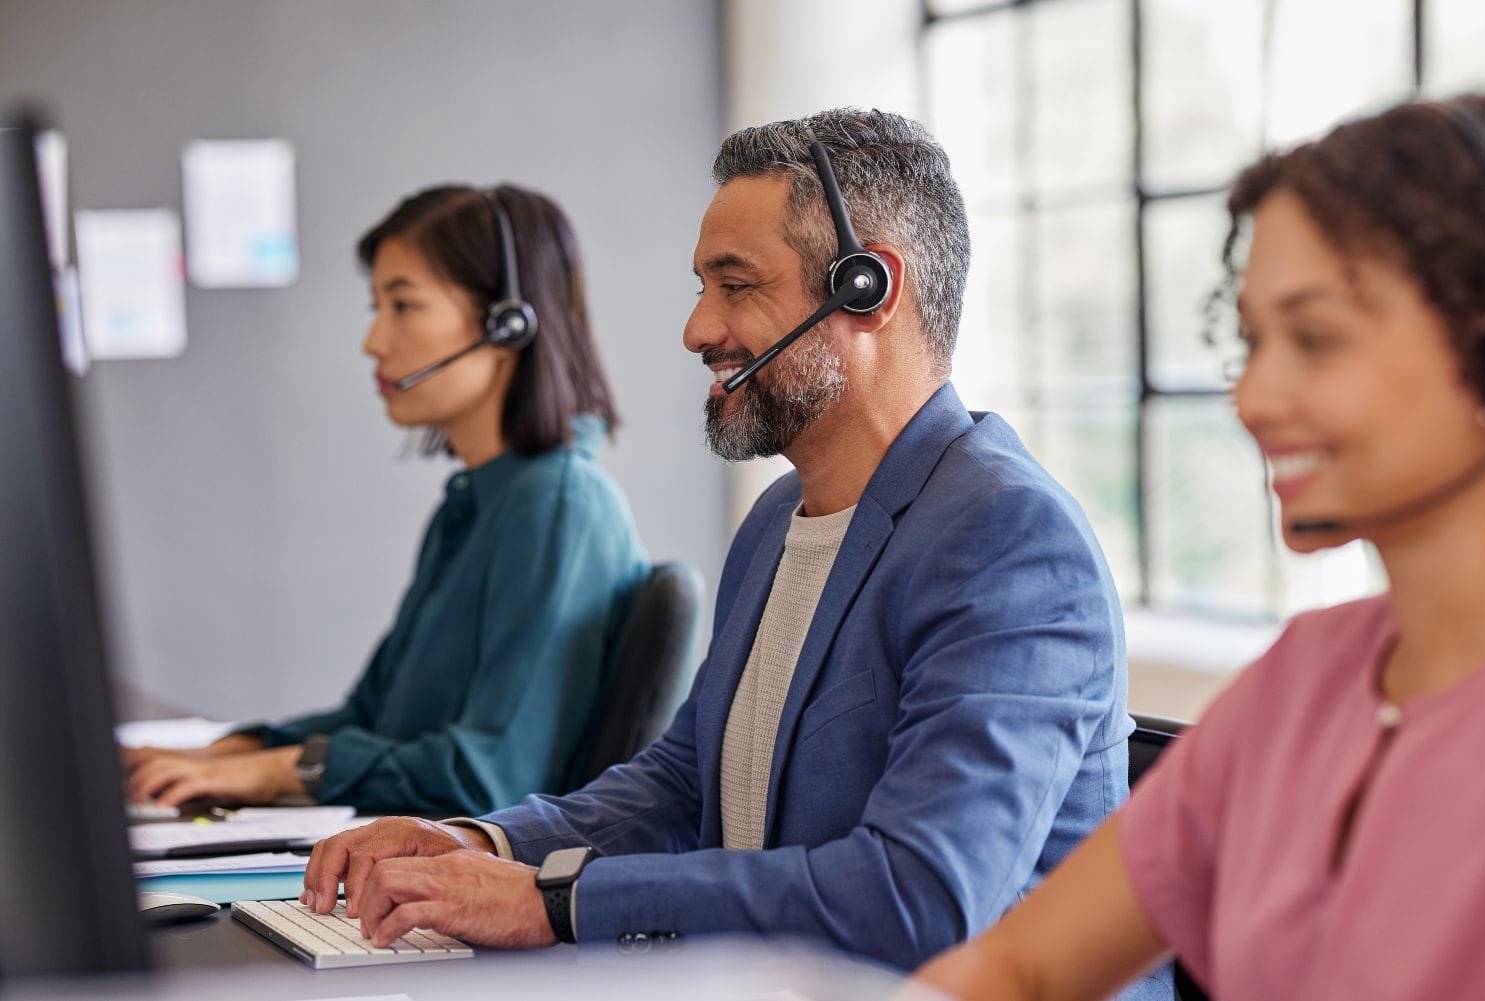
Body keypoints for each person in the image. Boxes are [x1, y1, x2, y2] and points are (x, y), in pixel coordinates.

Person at [297, 109, 1163, 995]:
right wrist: (480, 842)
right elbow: (683, 782)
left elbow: (919, 897)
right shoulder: (779, 517)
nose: (696, 328)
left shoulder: (1009, 540)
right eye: (701, 287)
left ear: (868, 288)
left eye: (736, 285)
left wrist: (556, 902)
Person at [913, 91, 1485, 1001]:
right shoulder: (1304, 681)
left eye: (1316, 338)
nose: (1252, 398)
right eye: (1251, 340)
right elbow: (1018, 964)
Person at [121, 184, 649, 815]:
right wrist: (225, 754)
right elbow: (373, 717)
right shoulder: (473, 505)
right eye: (378, 307)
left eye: (403, 305)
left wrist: (277, 771)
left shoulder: (558, 506)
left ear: (507, 325)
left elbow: (489, 777)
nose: (374, 341)